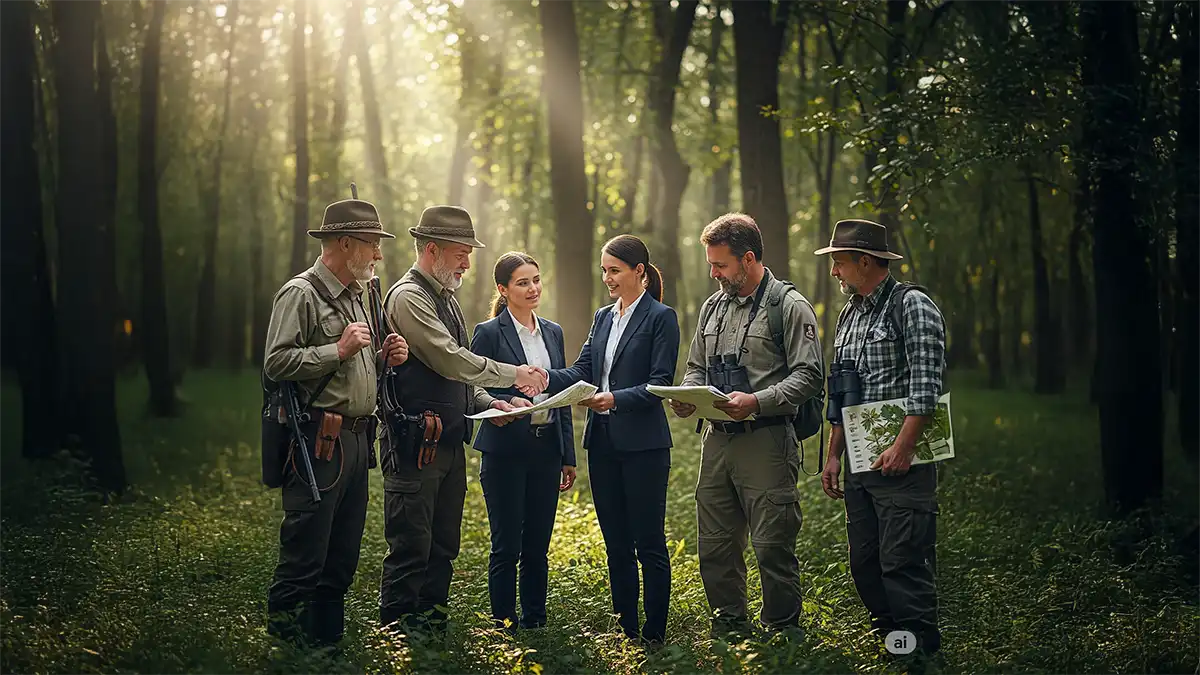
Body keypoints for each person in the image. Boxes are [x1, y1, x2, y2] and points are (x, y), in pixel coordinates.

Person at [378, 205, 549, 635]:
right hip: (415, 444)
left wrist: (494, 401)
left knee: (443, 545)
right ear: (432, 250)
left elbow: (460, 380)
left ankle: (431, 632)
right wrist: (514, 375)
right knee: (411, 546)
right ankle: (399, 639)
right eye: (460, 253)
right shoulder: (409, 297)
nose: (467, 263)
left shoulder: (445, 298)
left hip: (449, 441)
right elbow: (448, 358)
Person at [669, 213, 824, 636]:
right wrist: (689, 396)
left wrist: (757, 400)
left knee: (772, 544)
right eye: (710, 265)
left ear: (748, 259)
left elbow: (810, 375)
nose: (713, 273)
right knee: (715, 544)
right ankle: (730, 627)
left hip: (767, 441)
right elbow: (697, 366)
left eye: (720, 265)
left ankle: (783, 631)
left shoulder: (789, 307)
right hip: (716, 442)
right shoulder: (712, 307)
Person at [263, 196, 409, 647]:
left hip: (357, 443)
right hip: (318, 442)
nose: (380, 254)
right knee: (305, 557)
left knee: (340, 562)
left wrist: (385, 358)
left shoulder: (364, 295)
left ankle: (326, 652)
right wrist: (338, 349)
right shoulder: (300, 293)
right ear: (345, 244)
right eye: (372, 244)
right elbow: (276, 362)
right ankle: (287, 655)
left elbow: (360, 371)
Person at [814, 218, 946, 657]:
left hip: (904, 466)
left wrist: (904, 448)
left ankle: (919, 655)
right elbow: (842, 390)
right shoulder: (849, 314)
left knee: (902, 563)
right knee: (866, 564)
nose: (834, 272)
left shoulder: (913, 306)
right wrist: (834, 457)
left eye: (839, 263)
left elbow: (926, 386)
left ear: (864, 261)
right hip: (859, 463)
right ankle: (893, 646)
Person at [545, 234, 680, 646]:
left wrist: (612, 399)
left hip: (644, 447)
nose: (607, 278)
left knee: (649, 543)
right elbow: (582, 368)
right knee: (616, 544)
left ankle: (654, 635)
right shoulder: (604, 317)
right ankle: (627, 632)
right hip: (601, 446)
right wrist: (542, 377)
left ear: (639, 271)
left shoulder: (662, 317)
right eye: (604, 270)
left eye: (614, 270)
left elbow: (659, 385)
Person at [469, 252, 578, 631]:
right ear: (503, 289)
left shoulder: (553, 331)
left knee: (537, 546)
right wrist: (505, 396)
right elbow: (473, 386)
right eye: (522, 282)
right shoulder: (488, 332)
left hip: (547, 449)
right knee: (506, 546)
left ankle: (535, 622)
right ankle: (503, 624)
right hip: (505, 451)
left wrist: (568, 454)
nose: (533, 288)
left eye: (536, 279)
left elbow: (561, 396)